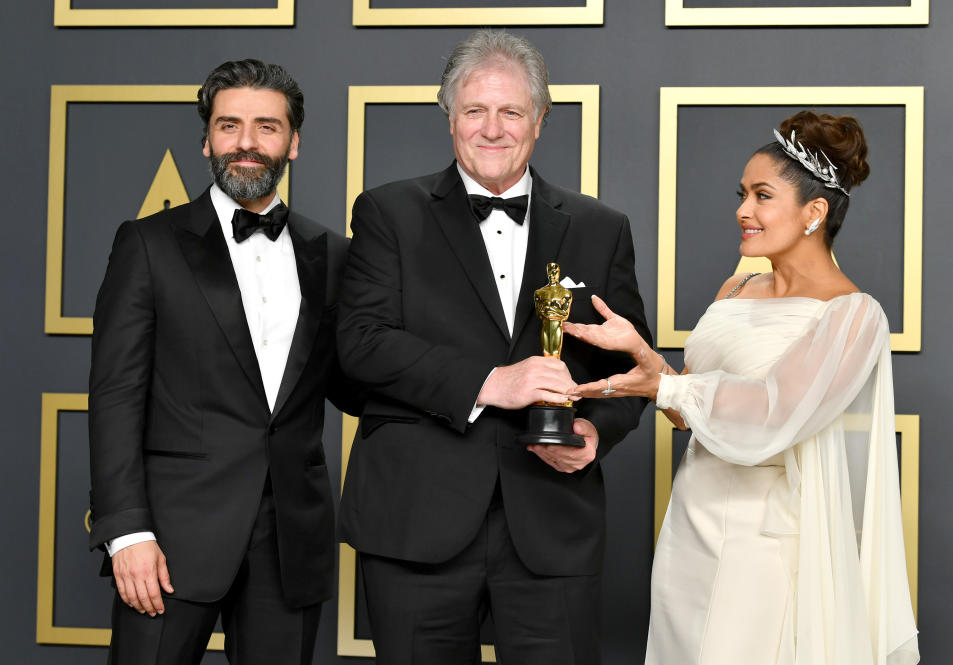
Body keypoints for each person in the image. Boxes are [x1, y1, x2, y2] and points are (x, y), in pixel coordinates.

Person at [336, 29, 651, 665]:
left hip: (552, 521)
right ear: (449, 116)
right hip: (415, 522)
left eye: (511, 111)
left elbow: (628, 368)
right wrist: (491, 382)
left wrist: (595, 431)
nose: (492, 129)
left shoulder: (601, 228)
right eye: (474, 110)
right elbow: (360, 344)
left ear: (540, 120)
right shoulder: (386, 213)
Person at [564, 111, 919, 665]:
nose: (742, 211)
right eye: (742, 193)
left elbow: (769, 417)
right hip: (691, 523)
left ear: (814, 212)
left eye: (761, 195)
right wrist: (645, 359)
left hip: (768, 542)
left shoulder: (853, 316)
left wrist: (665, 385)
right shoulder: (737, 286)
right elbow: (694, 414)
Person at [88, 59, 360, 664]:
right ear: (207, 138)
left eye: (267, 126)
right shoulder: (147, 243)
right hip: (169, 538)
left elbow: (357, 380)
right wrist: (126, 532)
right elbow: (115, 396)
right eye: (229, 124)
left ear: (294, 143)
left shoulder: (333, 255)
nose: (246, 142)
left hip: (291, 539)